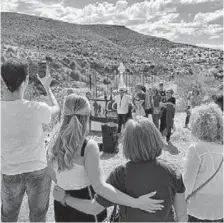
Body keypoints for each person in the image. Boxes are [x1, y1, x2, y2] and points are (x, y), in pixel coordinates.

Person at [48, 94, 164, 222]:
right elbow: (100, 188)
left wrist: (65, 189)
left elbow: (50, 172)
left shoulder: (53, 142)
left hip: (61, 204)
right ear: (88, 116)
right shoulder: (88, 146)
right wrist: (136, 203)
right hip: (86, 203)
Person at [53, 116, 187, 222]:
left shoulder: (121, 174)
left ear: (127, 144)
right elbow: (181, 215)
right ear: (156, 139)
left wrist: (65, 198)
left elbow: (94, 208)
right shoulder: (173, 172)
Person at [1, 60, 60, 222]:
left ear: (3, 80)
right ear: (26, 80)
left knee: (8, 217)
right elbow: (57, 110)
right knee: (38, 217)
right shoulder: (36, 108)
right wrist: (47, 87)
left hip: (10, 171)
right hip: (38, 170)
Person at [183, 103, 223, 222]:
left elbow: (187, 183)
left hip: (198, 208)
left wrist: (178, 204)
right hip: (220, 209)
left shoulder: (196, 149)